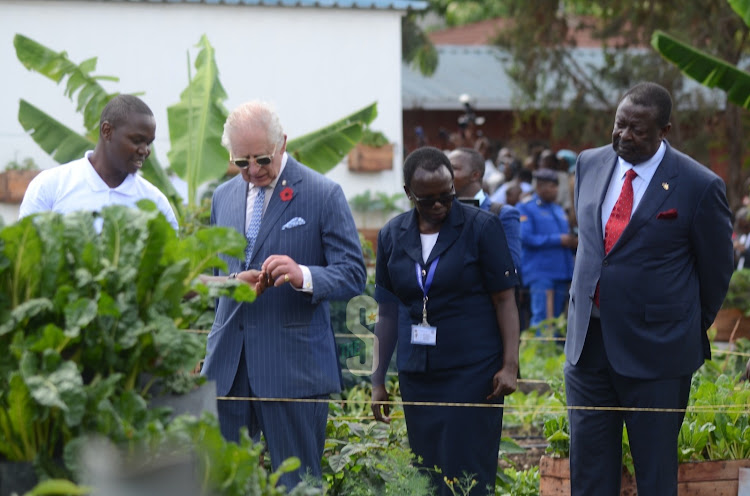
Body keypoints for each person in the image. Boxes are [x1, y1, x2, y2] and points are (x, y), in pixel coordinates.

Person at [566, 82, 734, 496]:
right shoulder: (589, 163)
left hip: (657, 352)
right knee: (588, 471)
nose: (624, 136)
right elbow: (594, 246)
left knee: (655, 474)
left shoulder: (698, 184)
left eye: (637, 130)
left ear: (665, 130)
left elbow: (717, 268)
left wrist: (687, 323)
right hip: (588, 345)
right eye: (619, 125)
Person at [202, 100, 366, 488]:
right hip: (228, 366)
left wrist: (302, 274)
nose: (253, 172)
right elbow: (212, 275)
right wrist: (230, 282)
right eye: (241, 163)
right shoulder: (222, 197)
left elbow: (353, 274)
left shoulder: (323, 193)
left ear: (283, 144)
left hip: (292, 369)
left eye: (262, 160)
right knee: (222, 482)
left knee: (299, 484)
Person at [370, 147, 519, 496]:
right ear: (409, 194)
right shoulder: (392, 236)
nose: (439, 205)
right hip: (418, 372)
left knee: (467, 469)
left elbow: (505, 299)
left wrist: (510, 365)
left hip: (473, 370)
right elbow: (387, 312)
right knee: (426, 468)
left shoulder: (482, 227)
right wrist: (378, 379)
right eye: (428, 199)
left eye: (447, 195)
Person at [19, 94, 178, 229]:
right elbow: (26, 250)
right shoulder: (50, 186)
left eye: (148, 143)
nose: (145, 151)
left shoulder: (156, 202)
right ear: (107, 131)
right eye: (137, 140)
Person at [517, 169, 576, 329]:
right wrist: (559, 239)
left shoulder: (557, 209)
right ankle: (539, 354)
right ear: (540, 187)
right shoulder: (526, 208)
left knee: (557, 323)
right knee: (542, 320)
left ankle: (553, 354)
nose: (555, 190)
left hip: (561, 272)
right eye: (551, 186)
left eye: (556, 186)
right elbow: (526, 237)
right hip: (541, 272)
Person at [449, 147, 522, 273]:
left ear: (475, 175)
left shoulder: (503, 214)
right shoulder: (443, 212)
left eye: (454, 169)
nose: (446, 174)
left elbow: (511, 265)